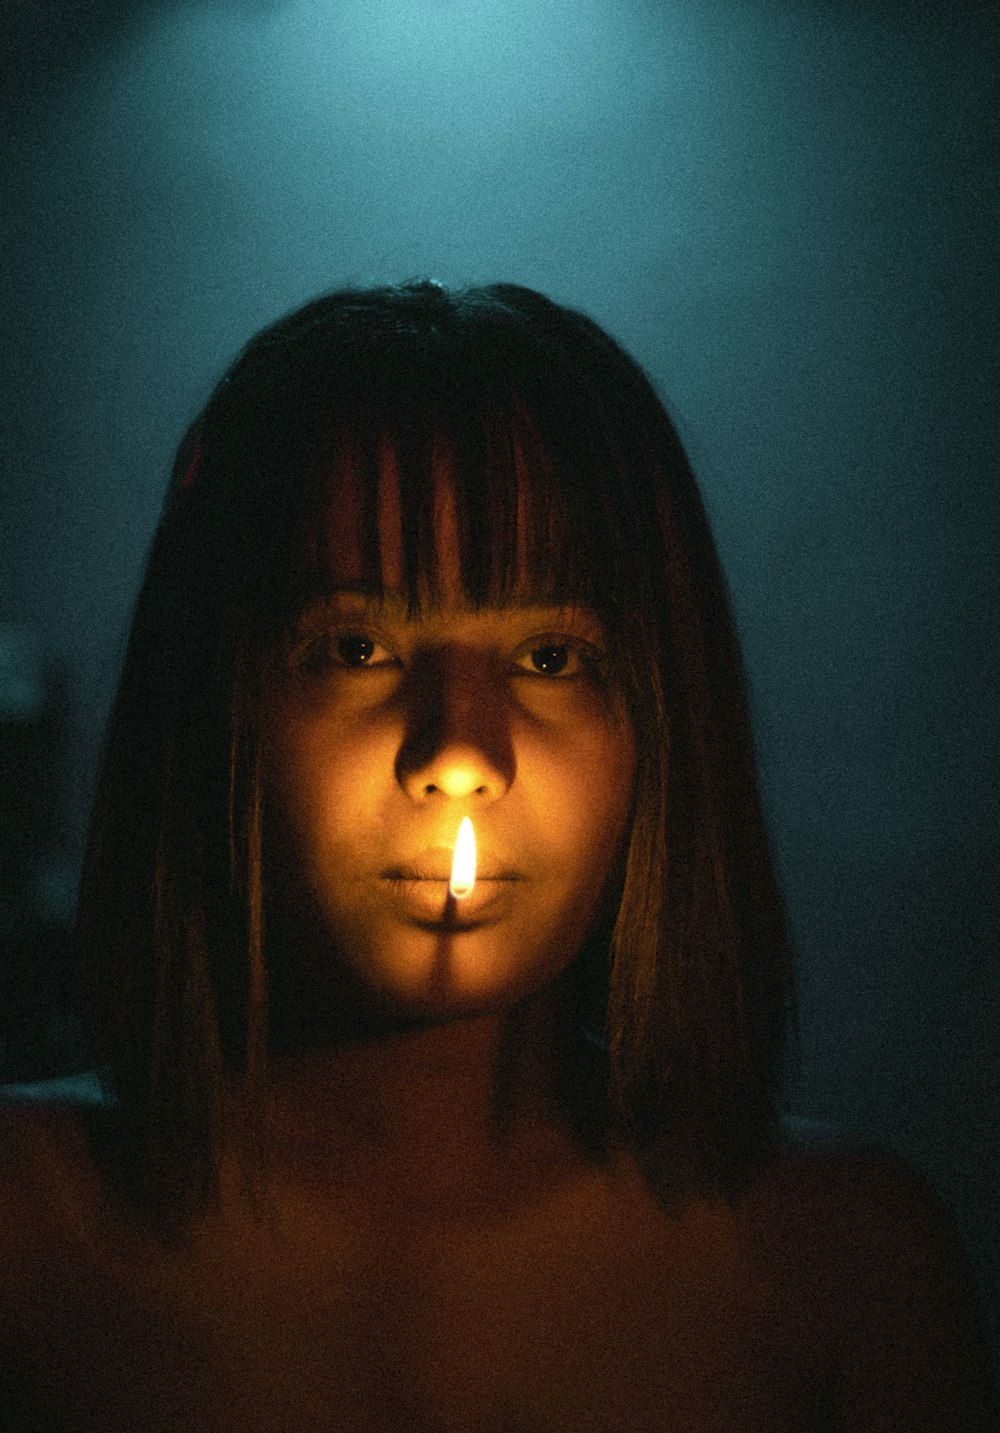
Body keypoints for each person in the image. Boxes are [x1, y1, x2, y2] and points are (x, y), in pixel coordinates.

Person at [0, 280, 994, 1431]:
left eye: (552, 655)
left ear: (663, 723)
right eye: (358, 645)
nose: (461, 755)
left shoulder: (841, 1265)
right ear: (218, 705)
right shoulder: (29, 1231)